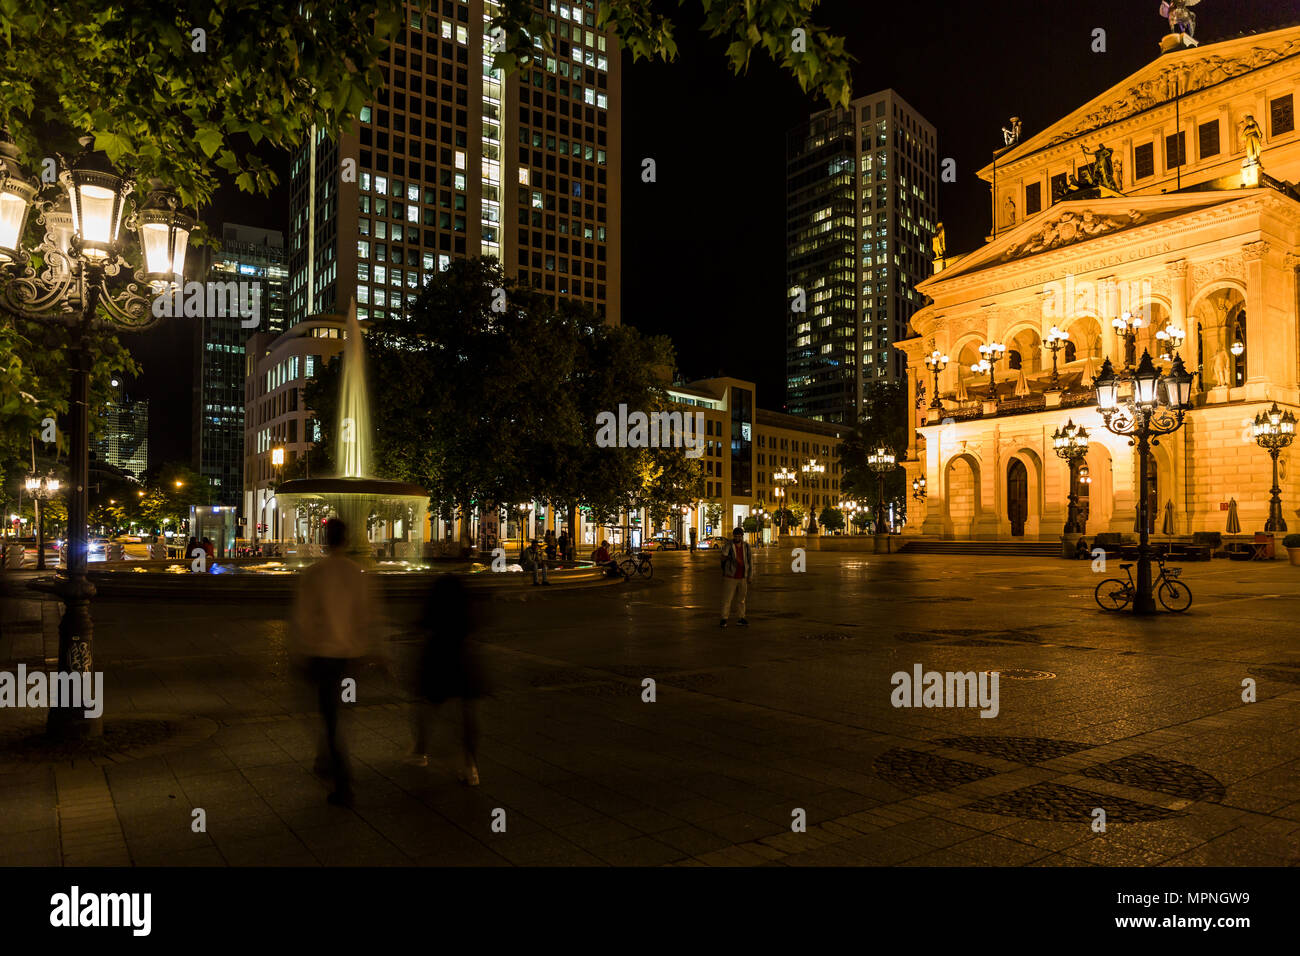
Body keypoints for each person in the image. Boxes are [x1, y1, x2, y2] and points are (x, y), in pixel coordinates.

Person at [290, 517, 379, 807]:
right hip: (350, 658)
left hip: (323, 657)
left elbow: (303, 618)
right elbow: (367, 615)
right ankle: (326, 757)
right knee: (341, 713)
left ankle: (343, 781)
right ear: (347, 539)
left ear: (326, 539)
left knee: (329, 716)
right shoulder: (357, 573)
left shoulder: (315, 573)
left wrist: (300, 651)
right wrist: (371, 650)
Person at [408, 574, 486, 785]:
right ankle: (470, 767)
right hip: (464, 662)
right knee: (469, 713)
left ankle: (420, 751)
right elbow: (478, 625)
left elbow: (422, 625)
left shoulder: (435, 608)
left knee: (429, 707)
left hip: (438, 660)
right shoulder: (468, 608)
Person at [719, 525, 753, 627]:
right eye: (736, 536)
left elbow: (750, 561)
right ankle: (724, 619)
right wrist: (728, 558)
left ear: (742, 536)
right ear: (733, 536)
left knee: (741, 599)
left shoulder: (746, 546)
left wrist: (750, 575)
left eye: (739, 536)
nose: (737, 538)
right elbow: (722, 557)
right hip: (730, 576)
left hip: (742, 576)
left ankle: (741, 618)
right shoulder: (728, 545)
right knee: (727, 599)